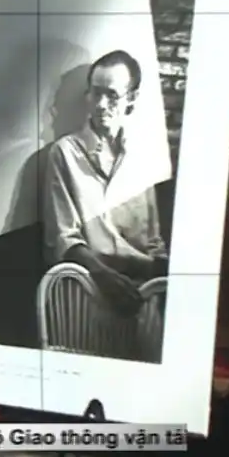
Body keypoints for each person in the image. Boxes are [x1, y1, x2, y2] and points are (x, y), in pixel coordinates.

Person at [43, 50, 168, 318]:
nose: (100, 104)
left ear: (131, 99)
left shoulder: (143, 158)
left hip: (142, 293)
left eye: (111, 95)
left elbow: (153, 240)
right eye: (95, 93)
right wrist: (103, 276)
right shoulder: (65, 153)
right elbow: (63, 238)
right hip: (88, 291)